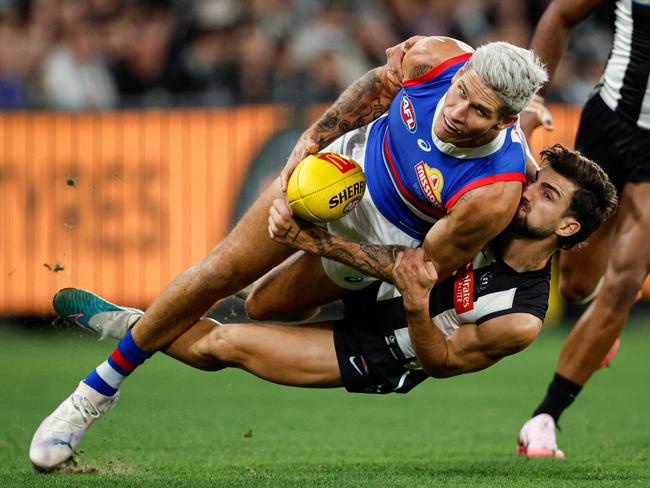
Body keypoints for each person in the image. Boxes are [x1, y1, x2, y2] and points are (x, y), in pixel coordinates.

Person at [28, 36, 547, 470]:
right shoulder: (438, 55)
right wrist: (314, 138)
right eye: (459, 93)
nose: (456, 112)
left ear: (505, 120)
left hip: (376, 242)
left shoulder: (491, 197)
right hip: (334, 172)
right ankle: (91, 396)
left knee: (262, 306)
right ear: (460, 71)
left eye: (478, 111)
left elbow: (413, 270)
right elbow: (376, 84)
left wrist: (312, 242)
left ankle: (143, 327)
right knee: (219, 272)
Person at [30, 145, 618, 471]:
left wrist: (416, 302)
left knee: (222, 346)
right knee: (257, 301)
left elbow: (440, 361)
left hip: (382, 350)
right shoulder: (494, 203)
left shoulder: (520, 318)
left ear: (567, 225)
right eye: (536, 179)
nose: (527, 194)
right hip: (375, 276)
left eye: (546, 195)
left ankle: (129, 323)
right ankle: (149, 327)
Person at [516, 0, 650, 459]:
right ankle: (600, 324)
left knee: (626, 278)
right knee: (576, 285)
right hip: (610, 124)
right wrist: (532, 100)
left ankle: (545, 416)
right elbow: (560, 14)